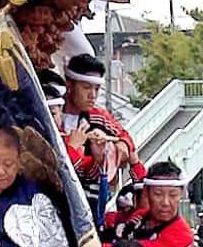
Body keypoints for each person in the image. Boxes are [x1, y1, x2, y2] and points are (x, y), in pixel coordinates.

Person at [59, 54, 144, 226]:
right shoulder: (52, 118)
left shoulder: (98, 117)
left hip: (89, 206)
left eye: (96, 89)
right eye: (86, 87)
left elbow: (126, 139)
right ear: (69, 85)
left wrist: (119, 147)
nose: (93, 95)